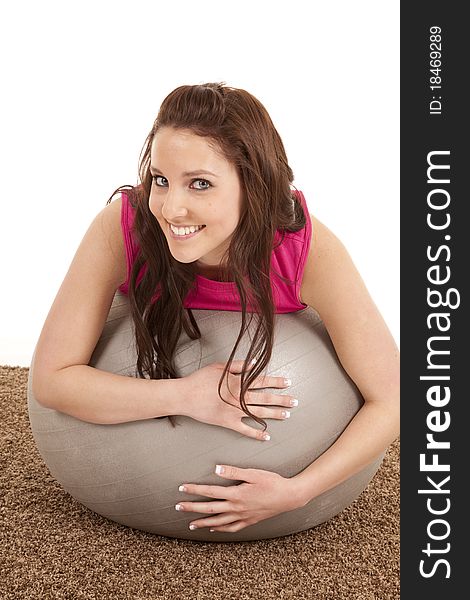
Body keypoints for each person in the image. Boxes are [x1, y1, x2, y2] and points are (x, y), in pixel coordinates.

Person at [32, 82, 400, 534]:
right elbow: (52, 381)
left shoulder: (304, 252)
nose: (172, 207)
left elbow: (395, 399)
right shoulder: (124, 226)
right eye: (162, 180)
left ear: (254, 184)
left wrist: (298, 491)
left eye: (200, 184)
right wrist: (188, 396)